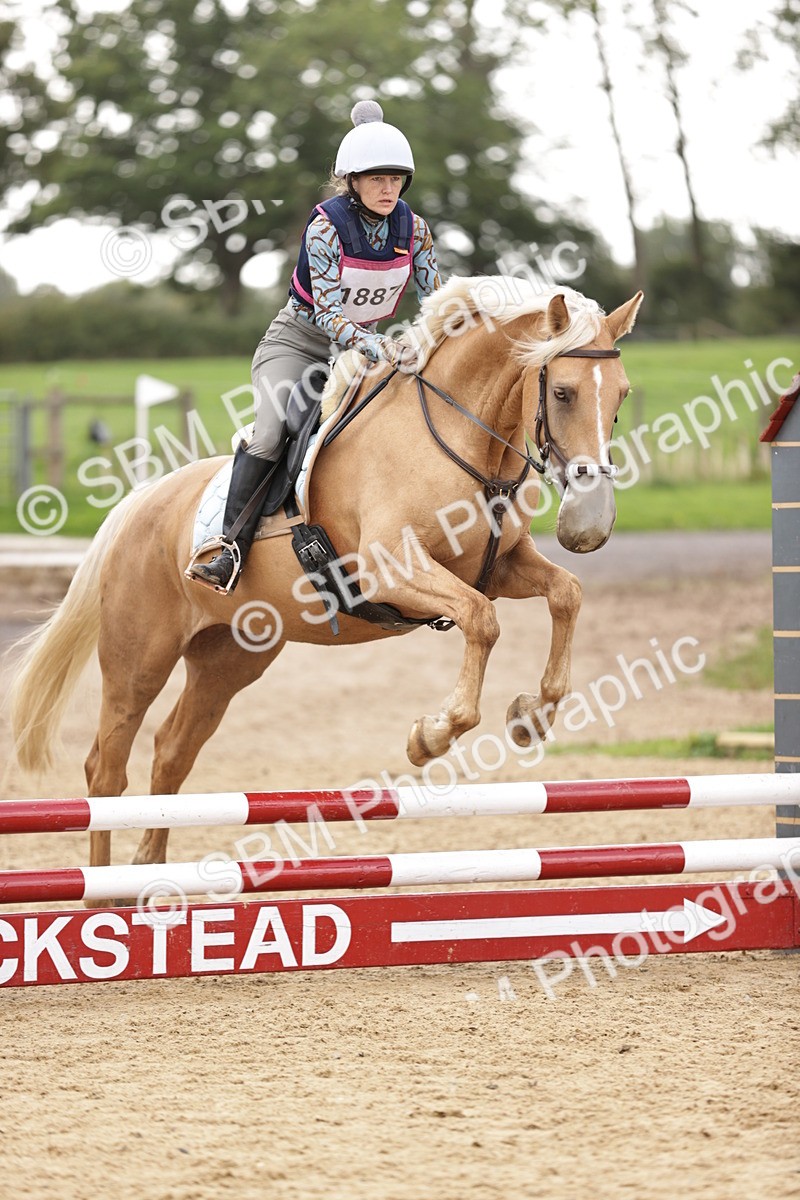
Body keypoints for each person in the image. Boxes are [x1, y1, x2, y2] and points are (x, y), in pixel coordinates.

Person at [187, 99, 442, 593]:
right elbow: (327, 313)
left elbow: (436, 300)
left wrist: (438, 339)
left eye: (395, 179)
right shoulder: (326, 226)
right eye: (376, 179)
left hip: (362, 351)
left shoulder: (415, 231)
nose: (387, 188)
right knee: (270, 432)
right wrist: (379, 346)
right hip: (299, 346)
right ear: (353, 181)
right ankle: (229, 548)